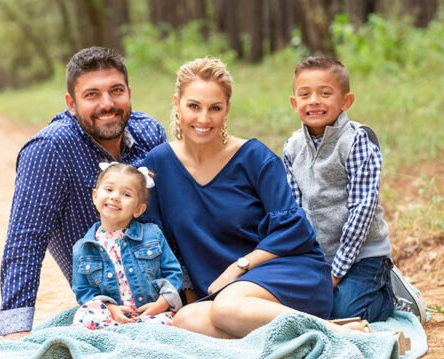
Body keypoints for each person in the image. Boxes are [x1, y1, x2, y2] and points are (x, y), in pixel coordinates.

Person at [142, 57, 369, 339]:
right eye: (193, 106)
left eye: (215, 108)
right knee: (186, 320)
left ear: (227, 109)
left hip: (284, 273)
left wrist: (240, 266)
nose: (203, 119)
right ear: (177, 104)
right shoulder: (158, 165)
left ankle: (335, 332)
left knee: (227, 308)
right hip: (222, 290)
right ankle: (299, 333)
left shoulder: (254, 158)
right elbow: (161, 242)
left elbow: (296, 230)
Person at [0, 47, 167, 339]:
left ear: (129, 92)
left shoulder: (150, 133)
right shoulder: (49, 150)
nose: (107, 104)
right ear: (71, 103)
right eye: (92, 95)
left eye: (116, 91)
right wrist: (16, 330)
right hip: (106, 300)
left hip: (164, 296)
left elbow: (175, 217)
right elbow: (26, 239)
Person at [283, 56, 427, 323]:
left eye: (325, 93)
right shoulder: (292, 147)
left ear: (345, 101)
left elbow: (362, 210)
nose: (314, 100)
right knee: (299, 309)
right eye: (305, 94)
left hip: (363, 255)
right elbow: (293, 206)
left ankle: (390, 295)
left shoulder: (356, 141)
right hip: (319, 255)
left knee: (343, 313)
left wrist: (335, 274)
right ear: (295, 103)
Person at [72, 163, 182, 329]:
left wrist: (162, 303)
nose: (115, 197)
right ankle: (117, 334)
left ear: (138, 209)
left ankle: (137, 335)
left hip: (150, 314)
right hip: (111, 315)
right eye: (109, 190)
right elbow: (83, 290)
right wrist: (110, 308)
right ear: (95, 196)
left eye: (126, 194)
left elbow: (172, 272)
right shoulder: (83, 247)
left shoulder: (152, 234)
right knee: (83, 317)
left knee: (171, 323)